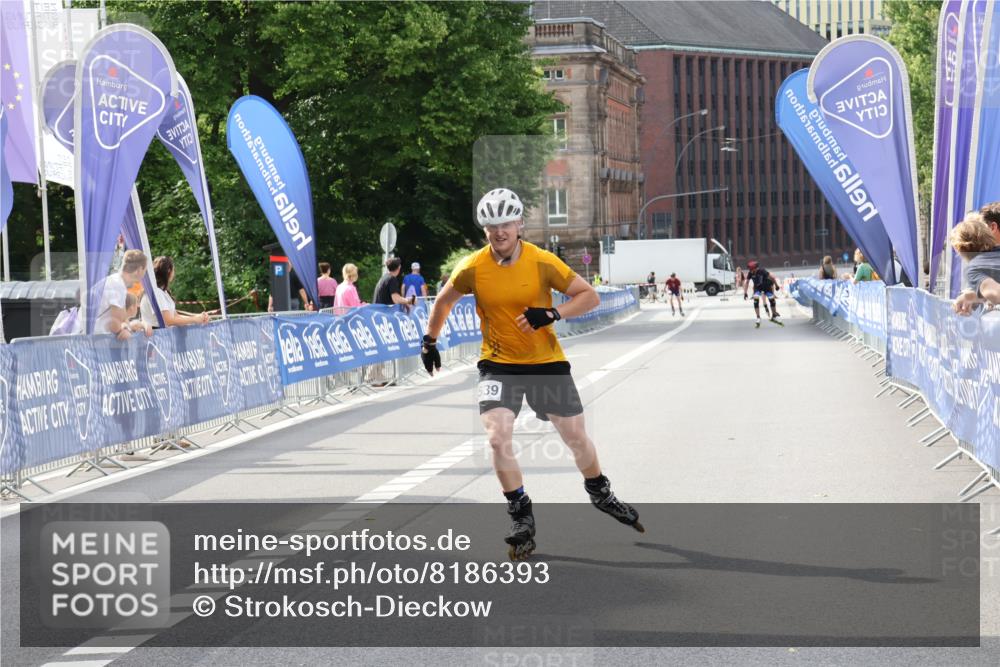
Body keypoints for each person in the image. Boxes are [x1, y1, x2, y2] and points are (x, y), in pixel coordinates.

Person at [420, 187, 643, 561]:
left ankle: (599, 490)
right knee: (496, 437)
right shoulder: (472, 266)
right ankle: (520, 513)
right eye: (491, 226)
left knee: (575, 438)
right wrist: (429, 340)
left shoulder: (542, 262)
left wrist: (552, 314)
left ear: (520, 224)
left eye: (506, 223)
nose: (499, 231)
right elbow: (443, 301)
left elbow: (589, 295)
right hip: (498, 363)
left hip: (545, 363)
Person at [92, 249, 153, 340]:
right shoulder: (117, 285)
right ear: (139, 269)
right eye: (145, 270)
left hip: (90, 339)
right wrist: (124, 329)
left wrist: (128, 326)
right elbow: (115, 325)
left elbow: (121, 320)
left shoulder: (116, 281)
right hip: (88, 342)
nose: (144, 274)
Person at [140, 256, 210, 328]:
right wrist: (194, 319)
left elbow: (176, 316)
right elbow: (169, 320)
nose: (174, 273)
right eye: (174, 270)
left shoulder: (163, 292)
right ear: (169, 271)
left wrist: (198, 317)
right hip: (157, 337)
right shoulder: (157, 293)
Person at [950, 214, 1000, 314]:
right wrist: (972, 295)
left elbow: (996, 293)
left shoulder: (974, 268)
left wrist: (970, 296)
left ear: (960, 249)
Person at [743, 260, 781, 328]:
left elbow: (772, 277)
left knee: (771, 300)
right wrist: (745, 293)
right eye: (750, 270)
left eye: (751, 270)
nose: (750, 271)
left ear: (755, 268)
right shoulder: (750, 273)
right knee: (756, 300)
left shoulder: (762, 271)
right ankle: (758, 317)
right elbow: (747, 282)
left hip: (766, 286)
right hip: (758, 288)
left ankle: (774, 315)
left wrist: (776, 285)